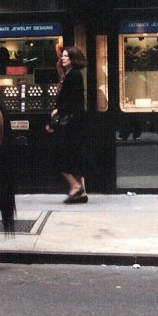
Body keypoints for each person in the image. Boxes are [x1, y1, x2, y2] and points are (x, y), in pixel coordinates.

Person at [45, 45, 88, 204]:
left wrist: (56, 113)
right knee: (74, 158)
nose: (62, 58)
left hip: (70, 125)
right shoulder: (70, 74)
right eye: (62, 55)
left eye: (65, 56)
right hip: (74, 123)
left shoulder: (73, 75)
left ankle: (76, 187)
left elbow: (71, 101)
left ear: (73, 58)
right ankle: (81, 192)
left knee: (62, 158)